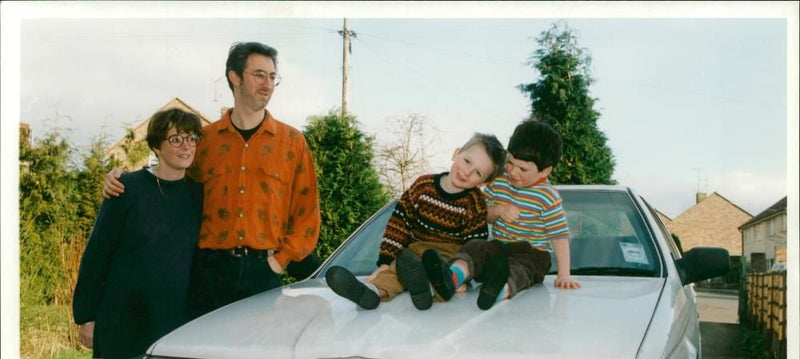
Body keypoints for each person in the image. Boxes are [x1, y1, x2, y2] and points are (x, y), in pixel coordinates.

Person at [103, 42, 321, 316]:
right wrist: (122, 177)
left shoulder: (292, 143)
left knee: (257, 357)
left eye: (272, 76)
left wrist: (279, 261)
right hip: (208, 275)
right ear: (235, 77)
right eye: (259, 75)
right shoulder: (203, 141)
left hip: (263, 273)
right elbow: (170, 187)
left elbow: (307, 216)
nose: (268, 84)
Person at [73, 108, 205, 359]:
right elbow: (98, 254)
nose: (186, 147)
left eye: (192, 139)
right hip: (122, 321)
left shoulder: (200, 196)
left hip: (173, 326)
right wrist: (85, 315)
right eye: (176, 139)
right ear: (156, 146)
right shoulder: (126, 188)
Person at [325, 133, 506, 310]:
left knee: (438, 271)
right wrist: (386, 262)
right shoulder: (422, 186)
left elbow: (474, 245)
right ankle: (372, 292)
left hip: (448, 256)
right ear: (456, 153)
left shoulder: (475, 203)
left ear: (483, 182)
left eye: (477, 173)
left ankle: (430, 289)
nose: (467, 172)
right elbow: (399, 224)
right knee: (397, 270)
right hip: (414, 254)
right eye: (467, 161)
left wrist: (461, 277)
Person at [420, 119, 581, 310]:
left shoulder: (548, 197)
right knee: (476, 247)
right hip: (499, 249)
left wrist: (564, 275)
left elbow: (559, 236)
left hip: (532, 253)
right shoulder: (499, 182)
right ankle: (452, 277)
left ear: (545, 171)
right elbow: (482, 214)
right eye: (510, 163)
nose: (513, 172)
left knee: (523, 268)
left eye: (523, 169)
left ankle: (498, 290)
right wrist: (498, 210)